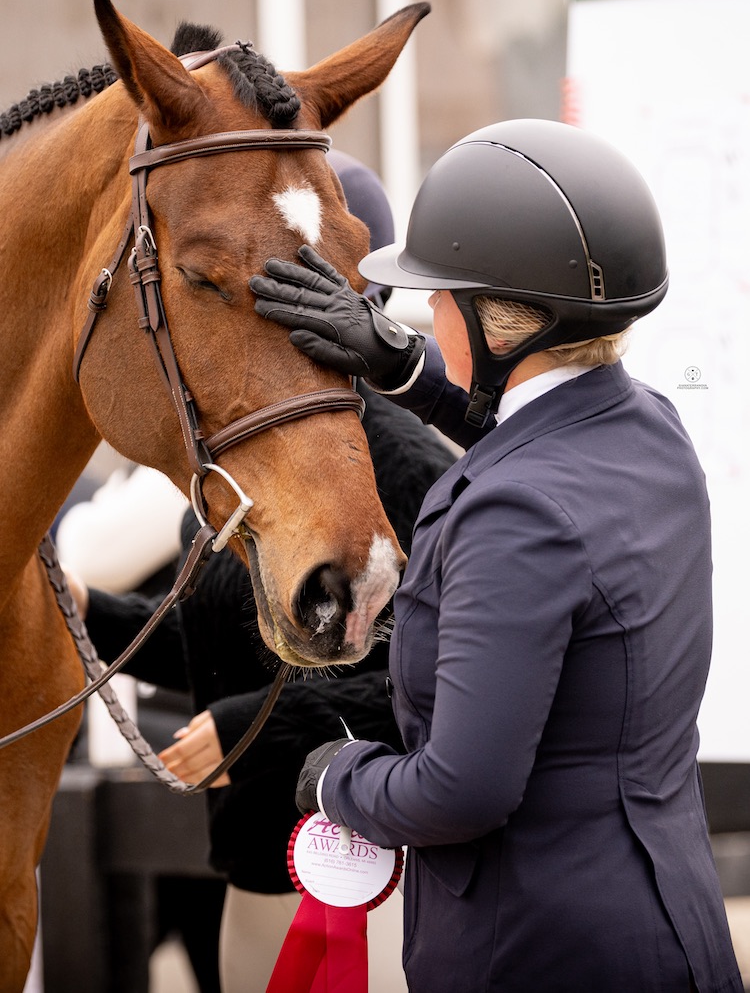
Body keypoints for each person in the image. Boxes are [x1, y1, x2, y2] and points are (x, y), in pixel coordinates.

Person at [251, 118, 743, 992]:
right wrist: (406, 368)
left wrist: (339, 780)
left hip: (538, 951)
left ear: (499, 322)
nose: (423, 313)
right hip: (667, 921)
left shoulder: (516, 516)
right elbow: (532, 435)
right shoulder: (652, 429)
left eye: (437, 299)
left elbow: (460, 791)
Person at [64, 148, 458, 993]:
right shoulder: (243, 469)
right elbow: (217, 643)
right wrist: (84, 605)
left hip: (367, 876)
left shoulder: (416, 471)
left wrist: (258, 726)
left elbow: (441, 684)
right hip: (255, 866)